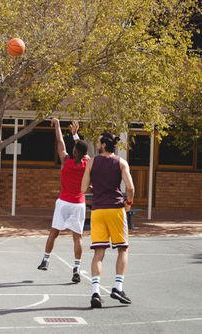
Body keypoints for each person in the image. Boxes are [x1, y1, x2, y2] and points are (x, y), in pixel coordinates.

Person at [81, 132, 135, 308]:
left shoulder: (92, 162)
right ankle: (118, 287)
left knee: (98, 253)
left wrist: (94, 185)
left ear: (104, 144)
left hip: (97, 210)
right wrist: (129, 203)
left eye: (98, 141)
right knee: (123, 248)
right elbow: (130, 187)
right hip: (115, 210)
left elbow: (82, 188)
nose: (96, 143)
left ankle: (95, 293)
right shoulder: (121, 162)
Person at [37, 118, 89, 283]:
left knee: (54, 232)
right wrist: (75, 136)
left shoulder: (66, 161)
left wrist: (58, 124)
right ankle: (77, 268)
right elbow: (84, 151)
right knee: (77, 237)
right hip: (79, 204)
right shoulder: (87, 163)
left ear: (74, 151)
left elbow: (60, 141)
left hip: (64, 202)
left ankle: (46, 260)